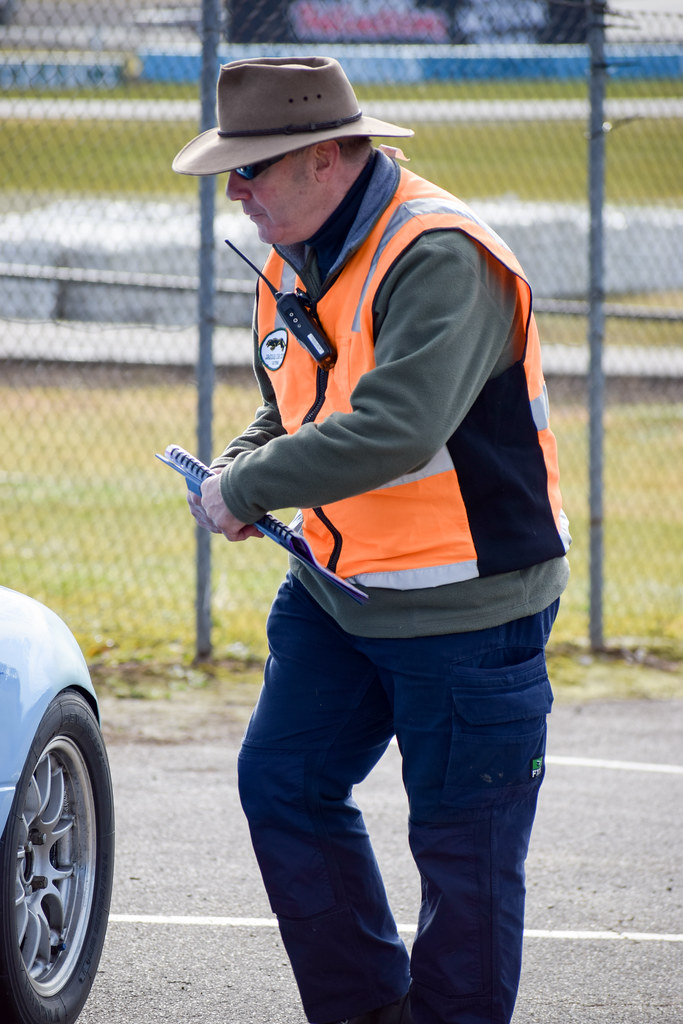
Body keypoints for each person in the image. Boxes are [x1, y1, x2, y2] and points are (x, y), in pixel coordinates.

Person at [173, 55, 571, 1024]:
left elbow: (396, 428)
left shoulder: (436, 253)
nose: (237, 188)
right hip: (337, 591)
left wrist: (249, 486)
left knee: (462, 859)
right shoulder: (283, 253)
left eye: (252, 166)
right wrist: (237, 459)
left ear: (323, 158)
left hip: (466, 612)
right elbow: (297, 404)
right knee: (282, 784)